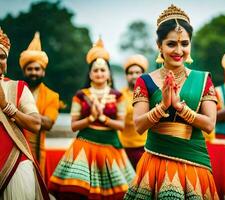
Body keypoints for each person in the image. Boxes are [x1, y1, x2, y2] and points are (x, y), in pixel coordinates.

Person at [124, 5, 219, 199]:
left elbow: (209, 124)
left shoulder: (203, 80)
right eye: (171, 44)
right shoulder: (145, 81)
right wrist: (163, 106)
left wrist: (179, 107)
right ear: (159, 45)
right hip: (155, 163)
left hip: (195, 162)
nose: (179, 50)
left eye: (184, 43)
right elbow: (139, 126)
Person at [48, 38, 135, 199]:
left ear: (108, 73)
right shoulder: (81, 95)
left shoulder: (118, 96)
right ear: (90, 74)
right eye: (95, 70)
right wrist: (90, 118)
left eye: (103, 70)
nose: (99, 73)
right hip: (84, 146)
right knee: (77, 192)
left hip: (110, 147)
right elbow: (74, 126)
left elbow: (121, 125)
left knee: (116, 195)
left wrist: (103, 118)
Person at [0, 28, 49, 199]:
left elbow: (36, 124)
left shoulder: (18, 87)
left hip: (15, 163)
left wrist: (6, 106)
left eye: (2, 56)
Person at [19, 32, 60, 177]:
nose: (33, 72)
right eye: (29, 69)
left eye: (37, 69)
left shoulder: (52, 96)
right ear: (24, 71)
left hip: (36, 151)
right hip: (14, 147)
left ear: (43, 71)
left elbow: (48, 123)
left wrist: (18, 115)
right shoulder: (16, 90)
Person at [119, 54, 149, 169]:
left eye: (138, 72)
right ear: (126, 76)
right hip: (123, 147)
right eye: (130, 73)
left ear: (143, 74)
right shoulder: (120, 95)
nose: (134, 76)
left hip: (145, 146)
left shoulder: (150, 95)